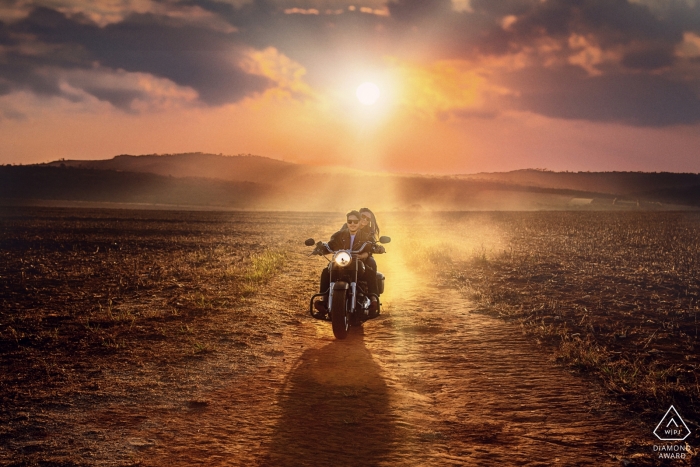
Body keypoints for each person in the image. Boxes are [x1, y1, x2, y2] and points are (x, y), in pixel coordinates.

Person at [315, 210, 378, 316]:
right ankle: (324, 302)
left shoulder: (366, 236)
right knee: (326, 271)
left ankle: (373, 300)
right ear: (347, 222)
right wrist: (321, 248)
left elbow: (371, 246)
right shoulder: (339, 235)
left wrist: (376, 248)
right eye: (350, 221)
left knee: (370, 273)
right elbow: (331, 245)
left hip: (357, 262)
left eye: (355, 221)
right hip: (342, 261)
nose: (352, 224)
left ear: (359, 222)